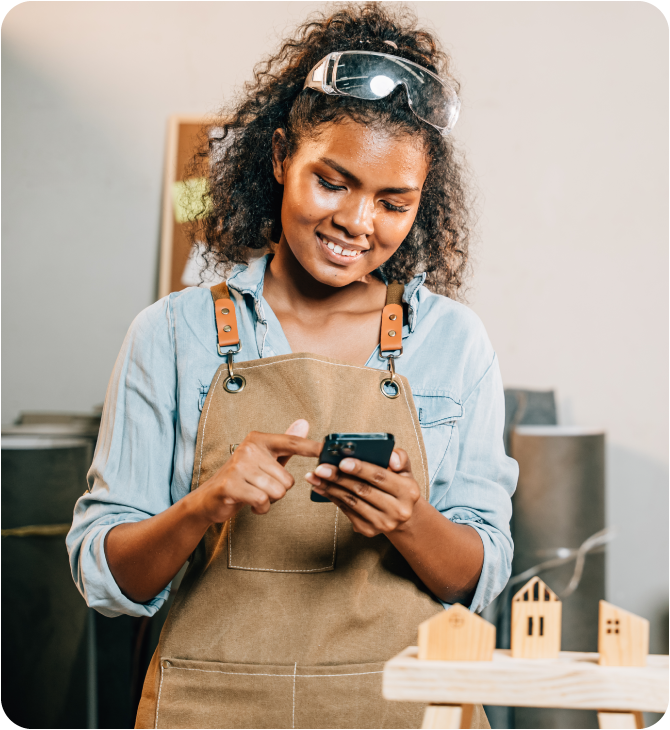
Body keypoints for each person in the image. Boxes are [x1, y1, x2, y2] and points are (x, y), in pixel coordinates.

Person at [67, 4, 517, 728]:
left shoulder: (452, 342)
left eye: (393, 202)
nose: (357, 223)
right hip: (209, 708)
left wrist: (409, 519)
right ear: (281, 157)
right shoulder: (171, 334)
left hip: (400, 707)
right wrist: (206, 503)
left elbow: (478, 576)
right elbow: (105, 576)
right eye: (332, 182)